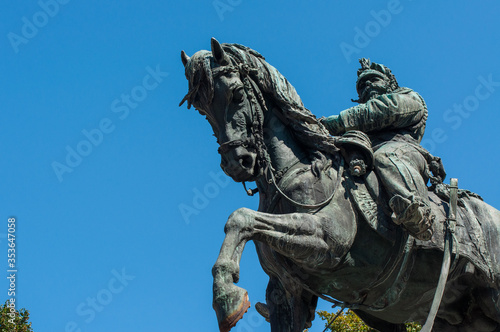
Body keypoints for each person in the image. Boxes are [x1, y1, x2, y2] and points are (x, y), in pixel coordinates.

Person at [321, 58, 435, 241]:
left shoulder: (409, 97)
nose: (368, 86)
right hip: (364, 154)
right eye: (362, 86)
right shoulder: (358, 123)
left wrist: (334, 123)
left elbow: (382, 111)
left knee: (385, 157)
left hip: (402, 150)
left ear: (390, 83)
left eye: (374, 80)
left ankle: (417, 213)